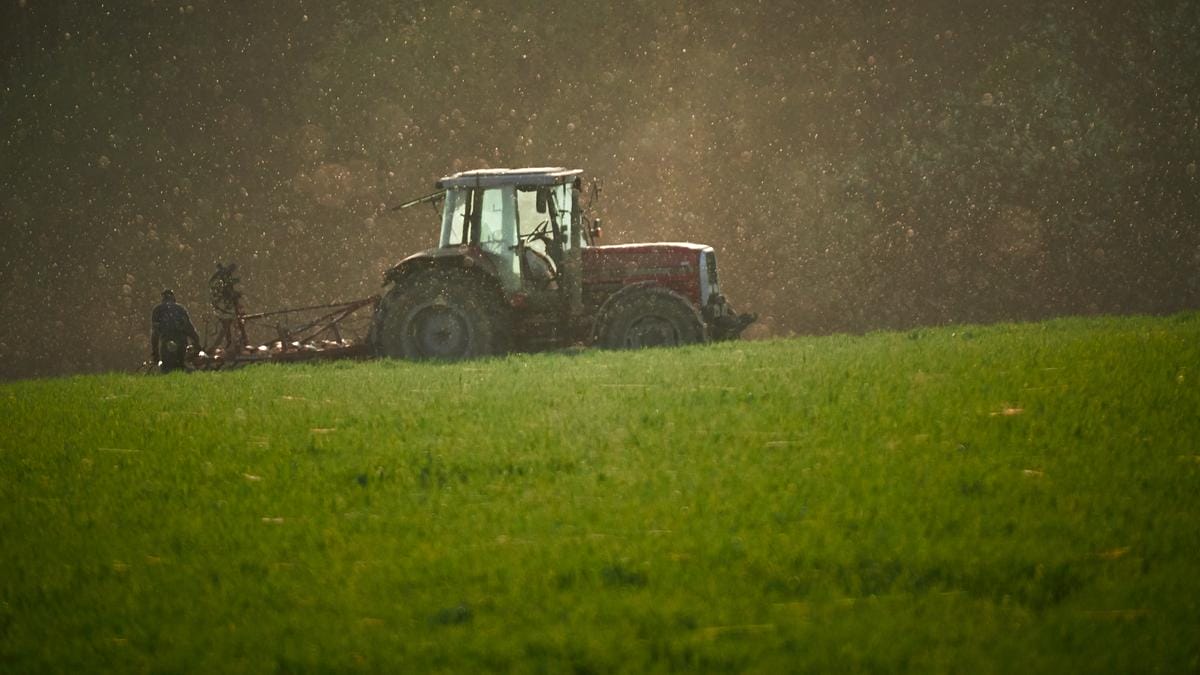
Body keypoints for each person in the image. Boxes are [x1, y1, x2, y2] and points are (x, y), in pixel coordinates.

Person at [150, 289, 201, 373]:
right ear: (173, 298)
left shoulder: (157, 310)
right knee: (180, 365)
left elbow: (155, 333)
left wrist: (155, 351)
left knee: (166, 367)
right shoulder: (180, 309)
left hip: (165, 342)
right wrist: (196, 342)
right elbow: (189, 328)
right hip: (181, 342)